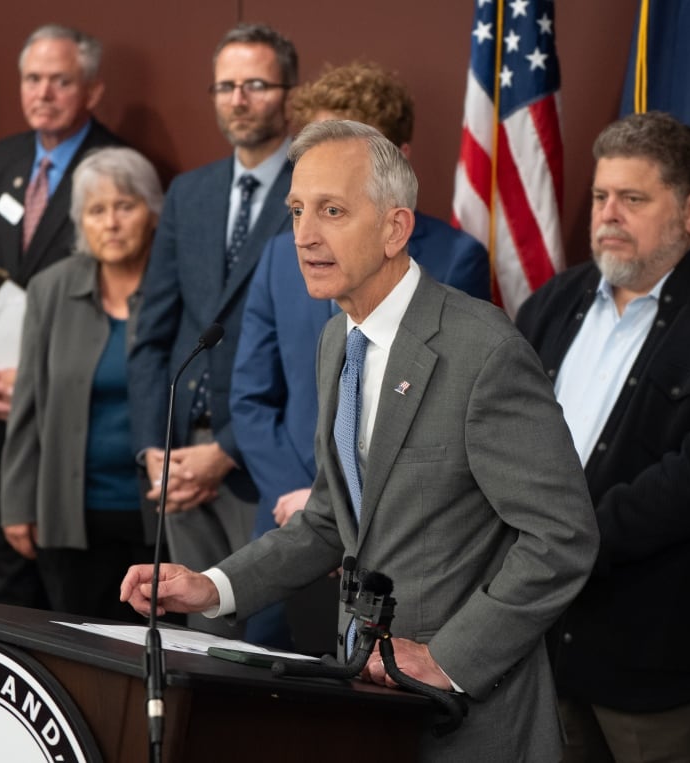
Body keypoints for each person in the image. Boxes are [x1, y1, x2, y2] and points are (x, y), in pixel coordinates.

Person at [122, 120, 600, 762]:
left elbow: (562, 537)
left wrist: (448, 659)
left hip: (471, 718)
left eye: (332, 211)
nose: (303, 235)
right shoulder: (336, 342)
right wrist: (214, 586)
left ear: (395, 228)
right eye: (297, 210)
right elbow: (331, 518)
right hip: (366, 708)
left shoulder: (483, 351)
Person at [515, 111, 690, 762]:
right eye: (600, 196)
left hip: (669, 664)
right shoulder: (552, 304)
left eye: (633, 199)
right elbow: (499, 436)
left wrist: (565, 539)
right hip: (546, 648)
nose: (608, 214)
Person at [230, 60, 489, 648]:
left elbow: (444, 419)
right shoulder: (279, 256)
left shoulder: (455, 260)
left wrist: (350, 510)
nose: (310, 229)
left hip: (398, 547)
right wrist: (304, 501)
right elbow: (249, 397)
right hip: (285, 520)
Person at [128, 23, 298, 640]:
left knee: (260, 638)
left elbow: (309, 352)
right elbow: (153, 334)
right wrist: (154, 449)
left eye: (256, 84)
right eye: (226, 86)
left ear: (289, 94)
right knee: (194, 640)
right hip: (176, 464)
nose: (238, 99)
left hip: (261, 459)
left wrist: (225, 451)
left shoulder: (311, 191)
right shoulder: (188, 193)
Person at [0, 24, 122, 610]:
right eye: (32, 79)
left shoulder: (116, 168)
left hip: (66, 423)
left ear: (93, 90)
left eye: (60, 81)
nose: (43, 93)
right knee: (0, 595)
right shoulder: (2, 158)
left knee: (70, 604)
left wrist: (33, 379)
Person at [0, 147, 162, 621]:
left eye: (125, 206)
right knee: (79, 644)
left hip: (160, 516)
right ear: (80, 222)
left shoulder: (177, 286)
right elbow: (27, 404)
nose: (111, 223)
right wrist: (17, 503)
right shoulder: (50, 288)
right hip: (71, 513)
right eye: (96, 210)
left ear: (153, 212)